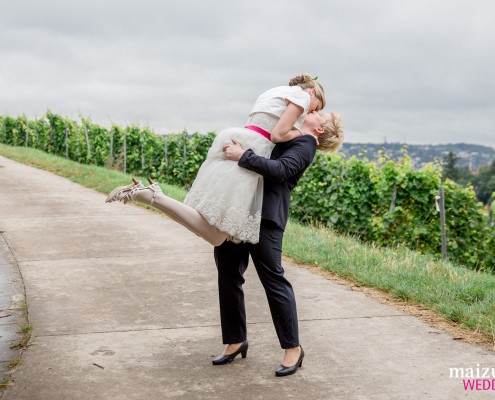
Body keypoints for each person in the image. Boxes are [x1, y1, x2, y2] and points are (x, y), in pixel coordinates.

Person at [106, 74, 325, 245]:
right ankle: (153, 196)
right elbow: (278, 134)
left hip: (239, 137)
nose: (310, 112)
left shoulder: (273, 91)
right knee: (218, 235)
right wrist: (306, 135)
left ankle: (154, 196)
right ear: (313, 92)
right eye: (316, 107)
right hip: (252, 148)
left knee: (213, 231)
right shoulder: (303, 97)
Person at [212, 111, 344, 377]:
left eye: (320, 113)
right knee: (228, 275)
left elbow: (281, 171)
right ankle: (236, 340)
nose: (312, 110)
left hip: (266, 218)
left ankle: (293, 349)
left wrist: (243, 156)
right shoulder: (286, 132)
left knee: (274, 280)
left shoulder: (306, 143)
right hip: (241, 211)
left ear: (319, 130)